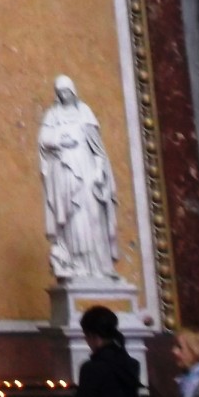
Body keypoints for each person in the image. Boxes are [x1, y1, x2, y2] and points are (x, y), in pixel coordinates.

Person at [39, 76, 120, 281]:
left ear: (73, 91)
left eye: (66, 91)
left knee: (93, 214)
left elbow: (97, 148)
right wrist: (59, 139)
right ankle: (77, 264)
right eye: (60, 92)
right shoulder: (52, 115)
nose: (63, 95)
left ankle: (101, 266)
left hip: (86, 170)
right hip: (64, 172)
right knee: (72, 221)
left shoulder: (84, 112)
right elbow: (43, 139)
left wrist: (99, 170)